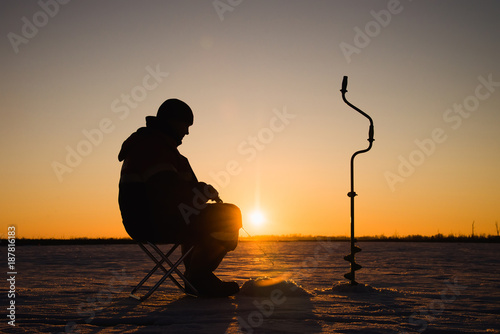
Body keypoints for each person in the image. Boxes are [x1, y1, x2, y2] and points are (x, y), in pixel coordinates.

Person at [118, 98, 242, 297]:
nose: (187, 131)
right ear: (172, 121)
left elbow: (177, 191)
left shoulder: (162, 149)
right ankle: (199, 278)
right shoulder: (153, 147)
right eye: (186, 125)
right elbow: (167, 191)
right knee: (229, 215)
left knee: (212, 217)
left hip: (155, 218)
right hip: (152, 221)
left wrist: (200, 191)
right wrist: (201, 192)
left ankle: (195, 277)